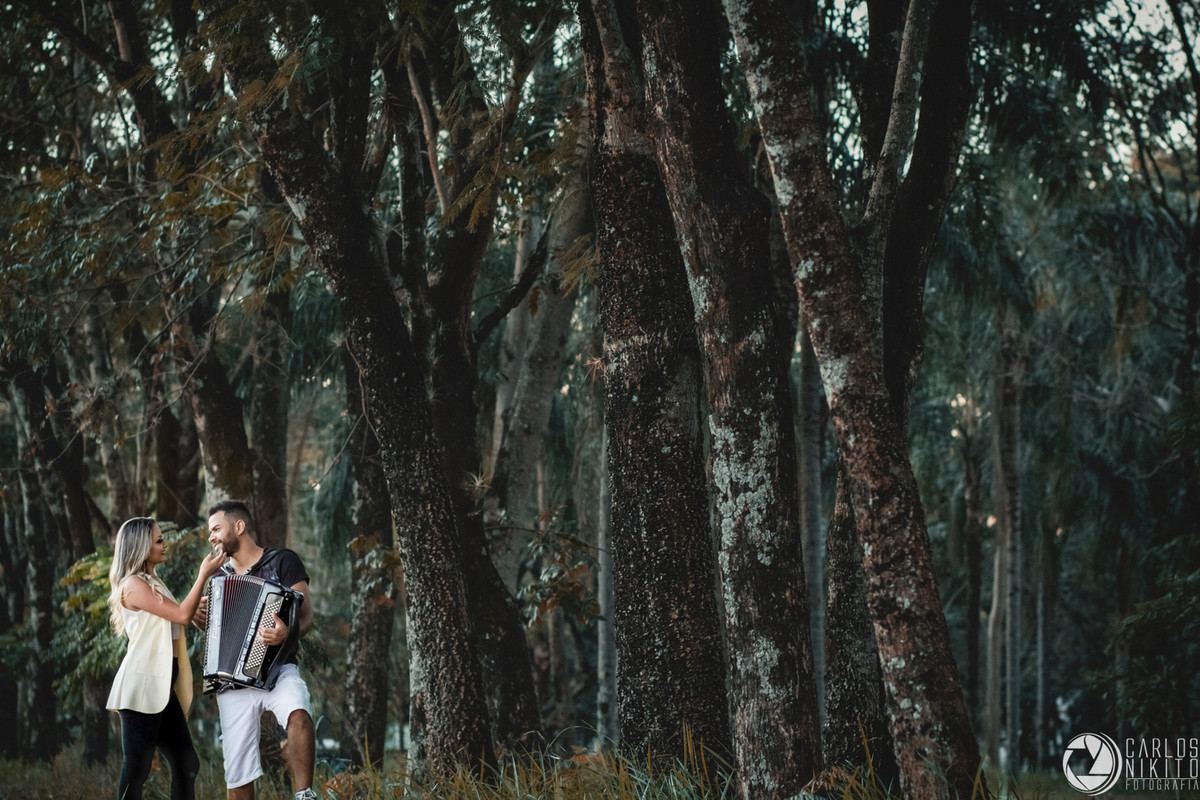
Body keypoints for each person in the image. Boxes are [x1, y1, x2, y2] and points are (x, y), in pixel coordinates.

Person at [194, 500, 317, 800]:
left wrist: (287, 632)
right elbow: (218, 634)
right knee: (238, 772)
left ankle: (305, 795)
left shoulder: (283, 562)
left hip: (277, 669)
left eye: (216, 529)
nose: (211, 537)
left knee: (299, 712)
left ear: (239, 526)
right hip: (232, 681)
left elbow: (306, 616)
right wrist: (202, 621)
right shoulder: (218, 577)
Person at [106, 516, 227, 800]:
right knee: (137, 769)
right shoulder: (133, 585)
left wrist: (205, 601)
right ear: (140, 547)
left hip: (160, 687)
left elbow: (182, 614)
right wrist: (202, 575)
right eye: (159, 540)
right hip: (142, 687)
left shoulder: (153, 582)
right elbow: (183, 614)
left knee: (187, 765)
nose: (165, 544)